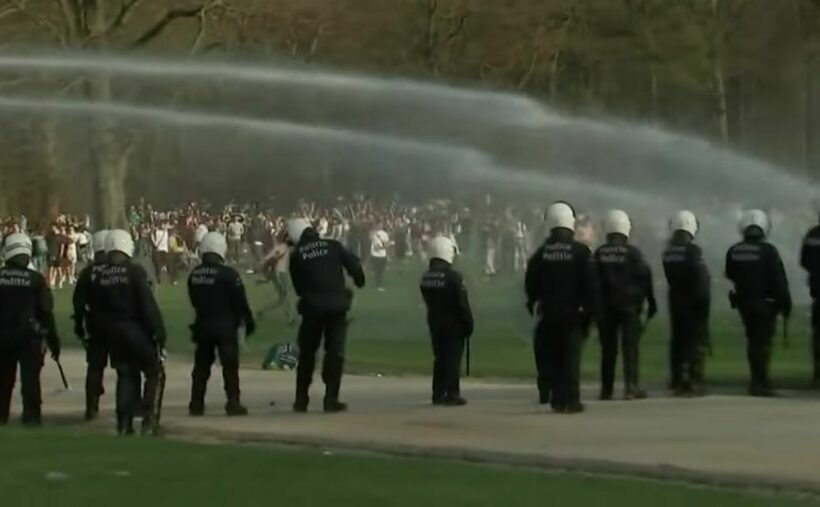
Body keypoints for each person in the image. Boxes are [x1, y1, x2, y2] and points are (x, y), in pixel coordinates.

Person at [91, 230, 166, 435]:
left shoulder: (99, 275)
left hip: (111, 333)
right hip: (135, 330)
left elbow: (95, 308)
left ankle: (124, 424)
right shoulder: (135, 271)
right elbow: (146, 304)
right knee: (155, 372)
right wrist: (158, 332)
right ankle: (150, 420)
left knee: (125, 375)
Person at [288, 217, 365, 413]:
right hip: (337, 307)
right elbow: (354, 266)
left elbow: (299, 289)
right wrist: (358, 280)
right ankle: (331, 399)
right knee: (335, 353)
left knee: (307, 354)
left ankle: (301, 399)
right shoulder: (334, 245)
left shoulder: (297, 255)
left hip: (312, 308)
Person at [525, 202, 596, 414]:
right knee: (571, 357)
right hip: (574, 313)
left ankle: (556, 398)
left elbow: (531, 283)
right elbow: (591, 284)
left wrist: (533, 303)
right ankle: (571, 400)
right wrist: (592, 313)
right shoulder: (582, 252)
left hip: (548, 313)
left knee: (553, 356)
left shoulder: (541, 253)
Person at [187, 232, 255, 417]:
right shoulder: (228, 274)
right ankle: (233, 403)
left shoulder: (194, 274)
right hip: (225, 325)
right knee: (230, 367)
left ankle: (196, 403)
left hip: (203, 324)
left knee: (201, 367)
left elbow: (193, 299)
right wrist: (248, 321)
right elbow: (240, 301)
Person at [726, 209, 791, 397]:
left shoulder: (734, 250)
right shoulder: (769, 251)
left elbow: (730, 274)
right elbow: (779, 280)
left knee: (753, 341)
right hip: (766, 304)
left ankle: (756, 380)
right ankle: (760, 382)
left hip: (744, 305)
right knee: (763, 344)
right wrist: (786, 304)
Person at [594, 209, 657, 401]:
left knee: (608, 350)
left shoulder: (599, 253)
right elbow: (645, 279)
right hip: (630, 308)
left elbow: (592, 281)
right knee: (630, 349)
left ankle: (606, 389)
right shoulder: (634, 254)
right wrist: (651, 302)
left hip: (606, 309)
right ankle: (631, 387)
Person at [0, 233, 60, 426]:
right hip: (29, 335)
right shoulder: (36, 279)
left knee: (3, 379)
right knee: (30, 380)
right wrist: (54, 342)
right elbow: (46, 312)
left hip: (2, 335)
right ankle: (31, 417)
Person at [420, 236, 474, 406]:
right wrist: (469, 323)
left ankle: (438, 393)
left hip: (434, 322)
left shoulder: (426, 277)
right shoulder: (454, 277)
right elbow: (462, 303)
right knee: (453, 359)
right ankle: (452, 393)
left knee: (439, 358)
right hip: (454, 324)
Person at [662, 211, 711, 397]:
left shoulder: (667, 251)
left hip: (675, 299)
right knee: (695, 341)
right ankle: (692, 380)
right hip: (692, 300)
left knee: (677, 340)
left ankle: (676, 378)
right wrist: (704, 301)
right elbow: (700, 277)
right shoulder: (693, 250)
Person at [72, 230, 111, 421]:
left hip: (95, 325)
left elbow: (78, 302)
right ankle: (128, 405)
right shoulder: (120, 271)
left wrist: (80, 325)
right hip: (119, 324)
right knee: (126, 367)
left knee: (95, 368)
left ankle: (91, 407)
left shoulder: (87, 273)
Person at [800, 212, 820, 387]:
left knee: (818, 334)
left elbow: (804, 261)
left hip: (818, 290)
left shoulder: (812, 234)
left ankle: (818, 373)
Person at [369, 222, 391, 291]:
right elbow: (386, 245)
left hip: (379, 254)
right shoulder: (374, 233)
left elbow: (386, 245)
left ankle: (378, 283)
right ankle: (378, 285)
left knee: (378, 270)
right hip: (378, 255)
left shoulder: (382, 234)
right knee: (378, 270)